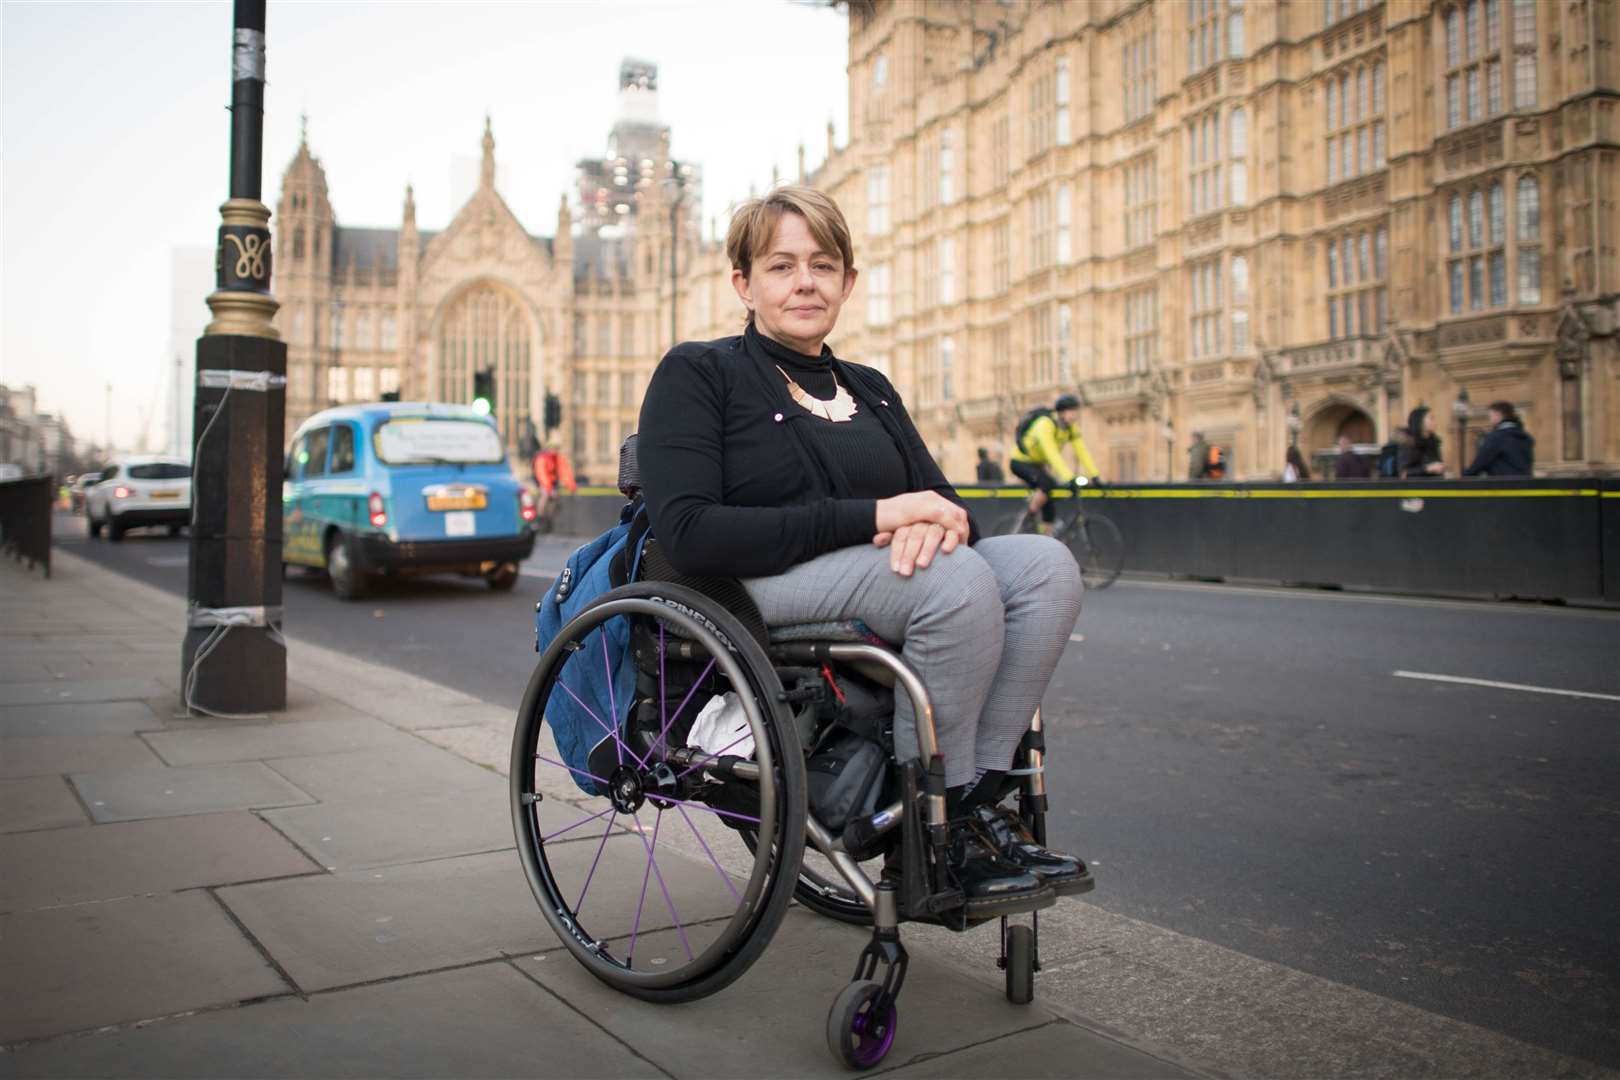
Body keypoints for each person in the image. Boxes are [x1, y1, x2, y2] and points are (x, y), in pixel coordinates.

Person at [638, 185, 1088, 911]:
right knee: (952, 581)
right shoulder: (700, 373)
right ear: (743, 284)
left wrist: (927, 522)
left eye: (823, 263)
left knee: (1044, 565)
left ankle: (976, 807)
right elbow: (690, 532)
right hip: (749, 585)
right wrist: (878, 516)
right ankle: (931, 841)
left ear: (849, 282)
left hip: (877, 577)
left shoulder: (869, 388)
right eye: (781, 266)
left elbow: (951, 510)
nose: (805, 281)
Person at [1009, 394, 1100, 534]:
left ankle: (1046, 538)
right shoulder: (1045, 424)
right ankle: (1028, 517)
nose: (1075, 415)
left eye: (1076, 411)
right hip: (1020, 462)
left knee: (1049, 501)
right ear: (1062, 412)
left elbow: (1082, 451)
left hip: (1038, 464)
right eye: (1072, 411)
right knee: (1047, 483)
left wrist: (1095, 475)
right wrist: (1069, 477)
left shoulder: (1070, 428)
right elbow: (1052, 454)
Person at [1464, 401, 1534, 476]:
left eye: (1491, 415)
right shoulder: (1525, 437)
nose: (1489, 419)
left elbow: (1481, 462)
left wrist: (1466, 474)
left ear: (1498, 414)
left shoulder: (1497, 437)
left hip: (1502, 484)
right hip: (1526, 484)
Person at [532, 443, 577, 527]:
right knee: (545, 495)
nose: (555, 451)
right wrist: (548, 488)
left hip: (552, 481)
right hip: (540, 481)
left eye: (557, 449)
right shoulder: (542, 458)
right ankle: (540, 518)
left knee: (555, 497)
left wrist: (571, 486)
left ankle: (549, 519)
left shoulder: (557, 458)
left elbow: (565, 472)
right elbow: (541, 474)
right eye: (553, 448)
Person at [1398, 406, 1445, 478]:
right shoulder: (1409, 443)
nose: (1435, 422)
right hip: (1414, 486)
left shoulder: (1434, 441)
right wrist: (1427, 469)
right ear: (1420, 421)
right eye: (1431, 418)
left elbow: (1437, 463)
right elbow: (1404, 473)